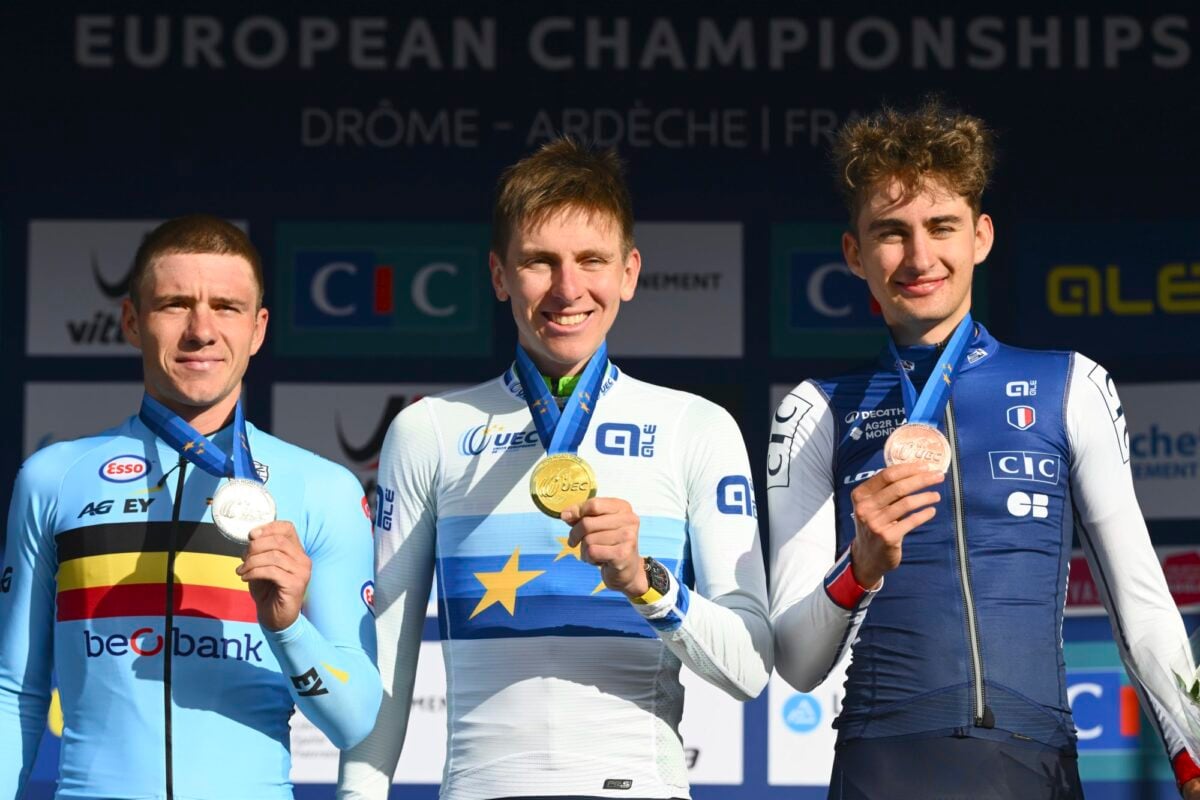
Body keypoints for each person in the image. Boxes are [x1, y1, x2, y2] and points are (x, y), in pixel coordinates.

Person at [767, 99, 1200, 799]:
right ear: (854, 253)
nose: (919, 256)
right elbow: (797, 660)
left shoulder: (1070, 383)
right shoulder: (816, 409)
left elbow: (1140, 602)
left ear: (982, 236)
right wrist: (861, 567)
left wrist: (1193, 750)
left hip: (1034, 764)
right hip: (882, 766)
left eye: (942, 227)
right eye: (890, 232)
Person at [338, 138, 772, 800]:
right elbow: (387, 666)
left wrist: (646, 581)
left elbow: (748, 667)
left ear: (628, 272)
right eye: (539, 262)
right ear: (499, 274)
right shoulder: (429, 431)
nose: (568, 290)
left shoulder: (696, 427)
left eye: (590, 261)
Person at [0, 215, 382, 800]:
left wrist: (288, 627)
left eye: (226, 307)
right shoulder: (53, 478)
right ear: (131, 320)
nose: (201, 330)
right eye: (176, 304)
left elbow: (357, 720)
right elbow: (13, 693)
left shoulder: (322, 488)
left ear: (258, 330)